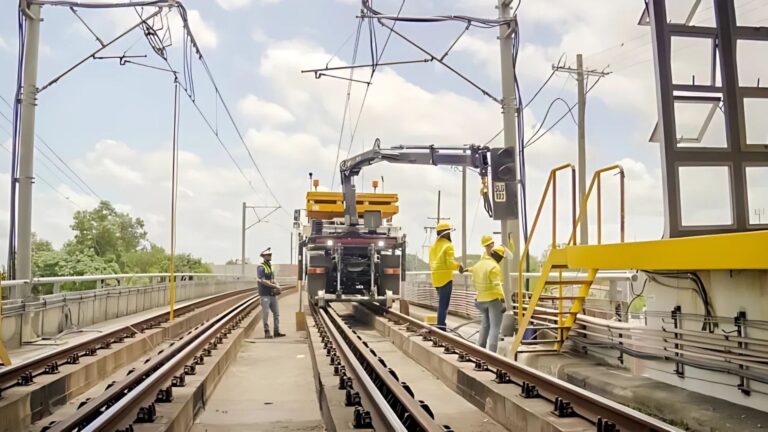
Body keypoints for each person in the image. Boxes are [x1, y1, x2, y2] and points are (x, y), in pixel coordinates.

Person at [465, 245, 506, 353]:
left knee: (485, 324)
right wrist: (502, 300)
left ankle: (480, 349)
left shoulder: (480, 263)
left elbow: (473, 269)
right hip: (492, 300)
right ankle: (492, 354)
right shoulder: (494, 267)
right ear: (498, 257)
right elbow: (497, 285)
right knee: (495, 328)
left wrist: (466, 269)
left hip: (480, 300)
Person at [429, 221, 463, 331]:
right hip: (446, 279)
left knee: (441, 303)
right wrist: (459, 265)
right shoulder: (448, 246)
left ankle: (441, 325)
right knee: (444, 305)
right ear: (448, 233)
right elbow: (450, 263)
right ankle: (441, 327)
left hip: (435, 279)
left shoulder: (433, 246)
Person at [257, 248, 285, 339]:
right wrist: (275, 287)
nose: (270, 256)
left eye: (270, 255)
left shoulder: (269, 266)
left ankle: (276, 331)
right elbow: (262, 280)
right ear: (264, 256)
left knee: (276, 313)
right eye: (268, 255)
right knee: (266, 313)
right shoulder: (261, 267)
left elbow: (272, 279)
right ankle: (267, 332)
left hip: (272, 294)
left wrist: (277, 284)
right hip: (265, 294)